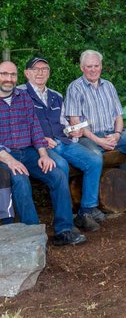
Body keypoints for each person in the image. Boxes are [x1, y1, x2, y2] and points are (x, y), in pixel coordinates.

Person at [0, 61, 86, 245]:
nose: (8, 79)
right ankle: (33, 236)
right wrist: (9, 160)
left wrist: (44, 155)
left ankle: (64, 230)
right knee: (20, 179)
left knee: (57, 174)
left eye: (12, 75)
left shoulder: (23, 97)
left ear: (17, 77)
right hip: (3, 156)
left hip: (28, 152)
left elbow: (35, 129)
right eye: (4, 74)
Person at [19, 56, 106, 232]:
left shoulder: (56, 96)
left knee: (94, 160)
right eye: (36, 69)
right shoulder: (20, 94)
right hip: (40, 146)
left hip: (62, 141)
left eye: (44, 69)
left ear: (49, 73)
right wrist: (40, 139)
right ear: (27, 73)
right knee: (61, 166)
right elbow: (19, 126)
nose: (41, 72)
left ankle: (85, 212)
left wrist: (72, 131)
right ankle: (65, 220)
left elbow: (63, 123)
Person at [64, 50, 126, 211]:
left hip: (111, 133)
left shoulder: (108, 86)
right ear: (82, 68)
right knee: (95, 156)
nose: (93, 69)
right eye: (89, 66)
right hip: (87, 137)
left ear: (101, 67)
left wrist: (117, 134)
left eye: (96, 65)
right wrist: (99, 140)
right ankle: (91, 206)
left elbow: (118, 116)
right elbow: (76, 123)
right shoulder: (75, 88)